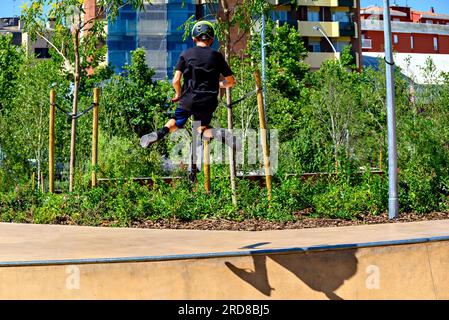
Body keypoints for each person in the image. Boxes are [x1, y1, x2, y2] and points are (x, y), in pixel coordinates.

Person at [140, 20, 238, 149]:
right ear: (212, 39)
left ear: (194, 38)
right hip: (208, 101)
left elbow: (175, 80)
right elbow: (230, 81)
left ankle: (158, 134)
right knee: (201, 130)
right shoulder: (217, 56)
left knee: (176, 121)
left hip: (188, 99)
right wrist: (217, 84)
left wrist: (178, 94)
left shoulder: (186, 55)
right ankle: (218, 133)